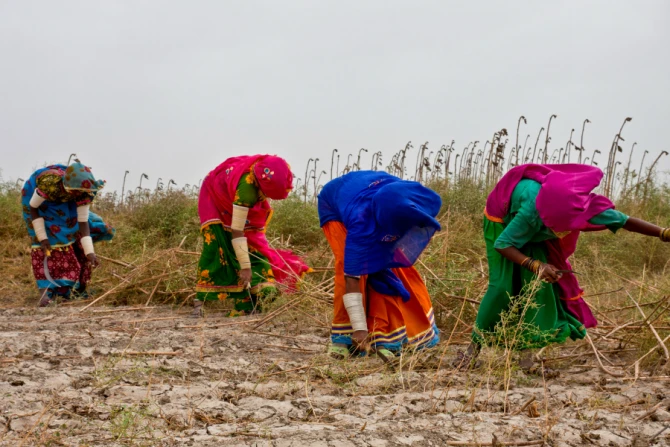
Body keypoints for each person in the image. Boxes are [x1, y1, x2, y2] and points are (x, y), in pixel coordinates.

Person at [455, 164, 669, 374]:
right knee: (502, 287)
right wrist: (535, 264)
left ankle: (526, 360)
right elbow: (502, 244)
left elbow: (625, 221)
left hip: (533, 230)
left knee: (536, 288)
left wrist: (663, 233)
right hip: (501, 221)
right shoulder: (532, 210)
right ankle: (470, 352)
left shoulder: (583, 208)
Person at [317, 170, 441, 360]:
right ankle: (344, 337)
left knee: (393, 269)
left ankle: (388, 335)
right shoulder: (360, 223)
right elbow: (352, 278)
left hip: (368, 193)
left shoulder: (408, 196)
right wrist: (359, 328)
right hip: (335, 205)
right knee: (353, 269)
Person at [194, 154, 310, 317]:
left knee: (253, 248)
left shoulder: (259, 173)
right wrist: (245, 267)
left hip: (232, 198)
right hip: (214, 198)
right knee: (217, 246)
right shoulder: (247, 190)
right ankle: (200, 302)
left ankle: (252, 297)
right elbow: (237, 231)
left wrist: (246, 264)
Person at [22, 161, 115, 307]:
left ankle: (64, 291)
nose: (79, 194)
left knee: (69, 236)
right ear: (68, 187)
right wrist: (42, 237)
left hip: (66, 202)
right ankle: (45, 293)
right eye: (76, 191)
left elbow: (83, 223)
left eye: (80, 193)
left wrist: (90, 253)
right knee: (46, 245)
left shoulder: (83, 192)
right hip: (38, 202)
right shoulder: (49, 184)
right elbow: (33, 208)